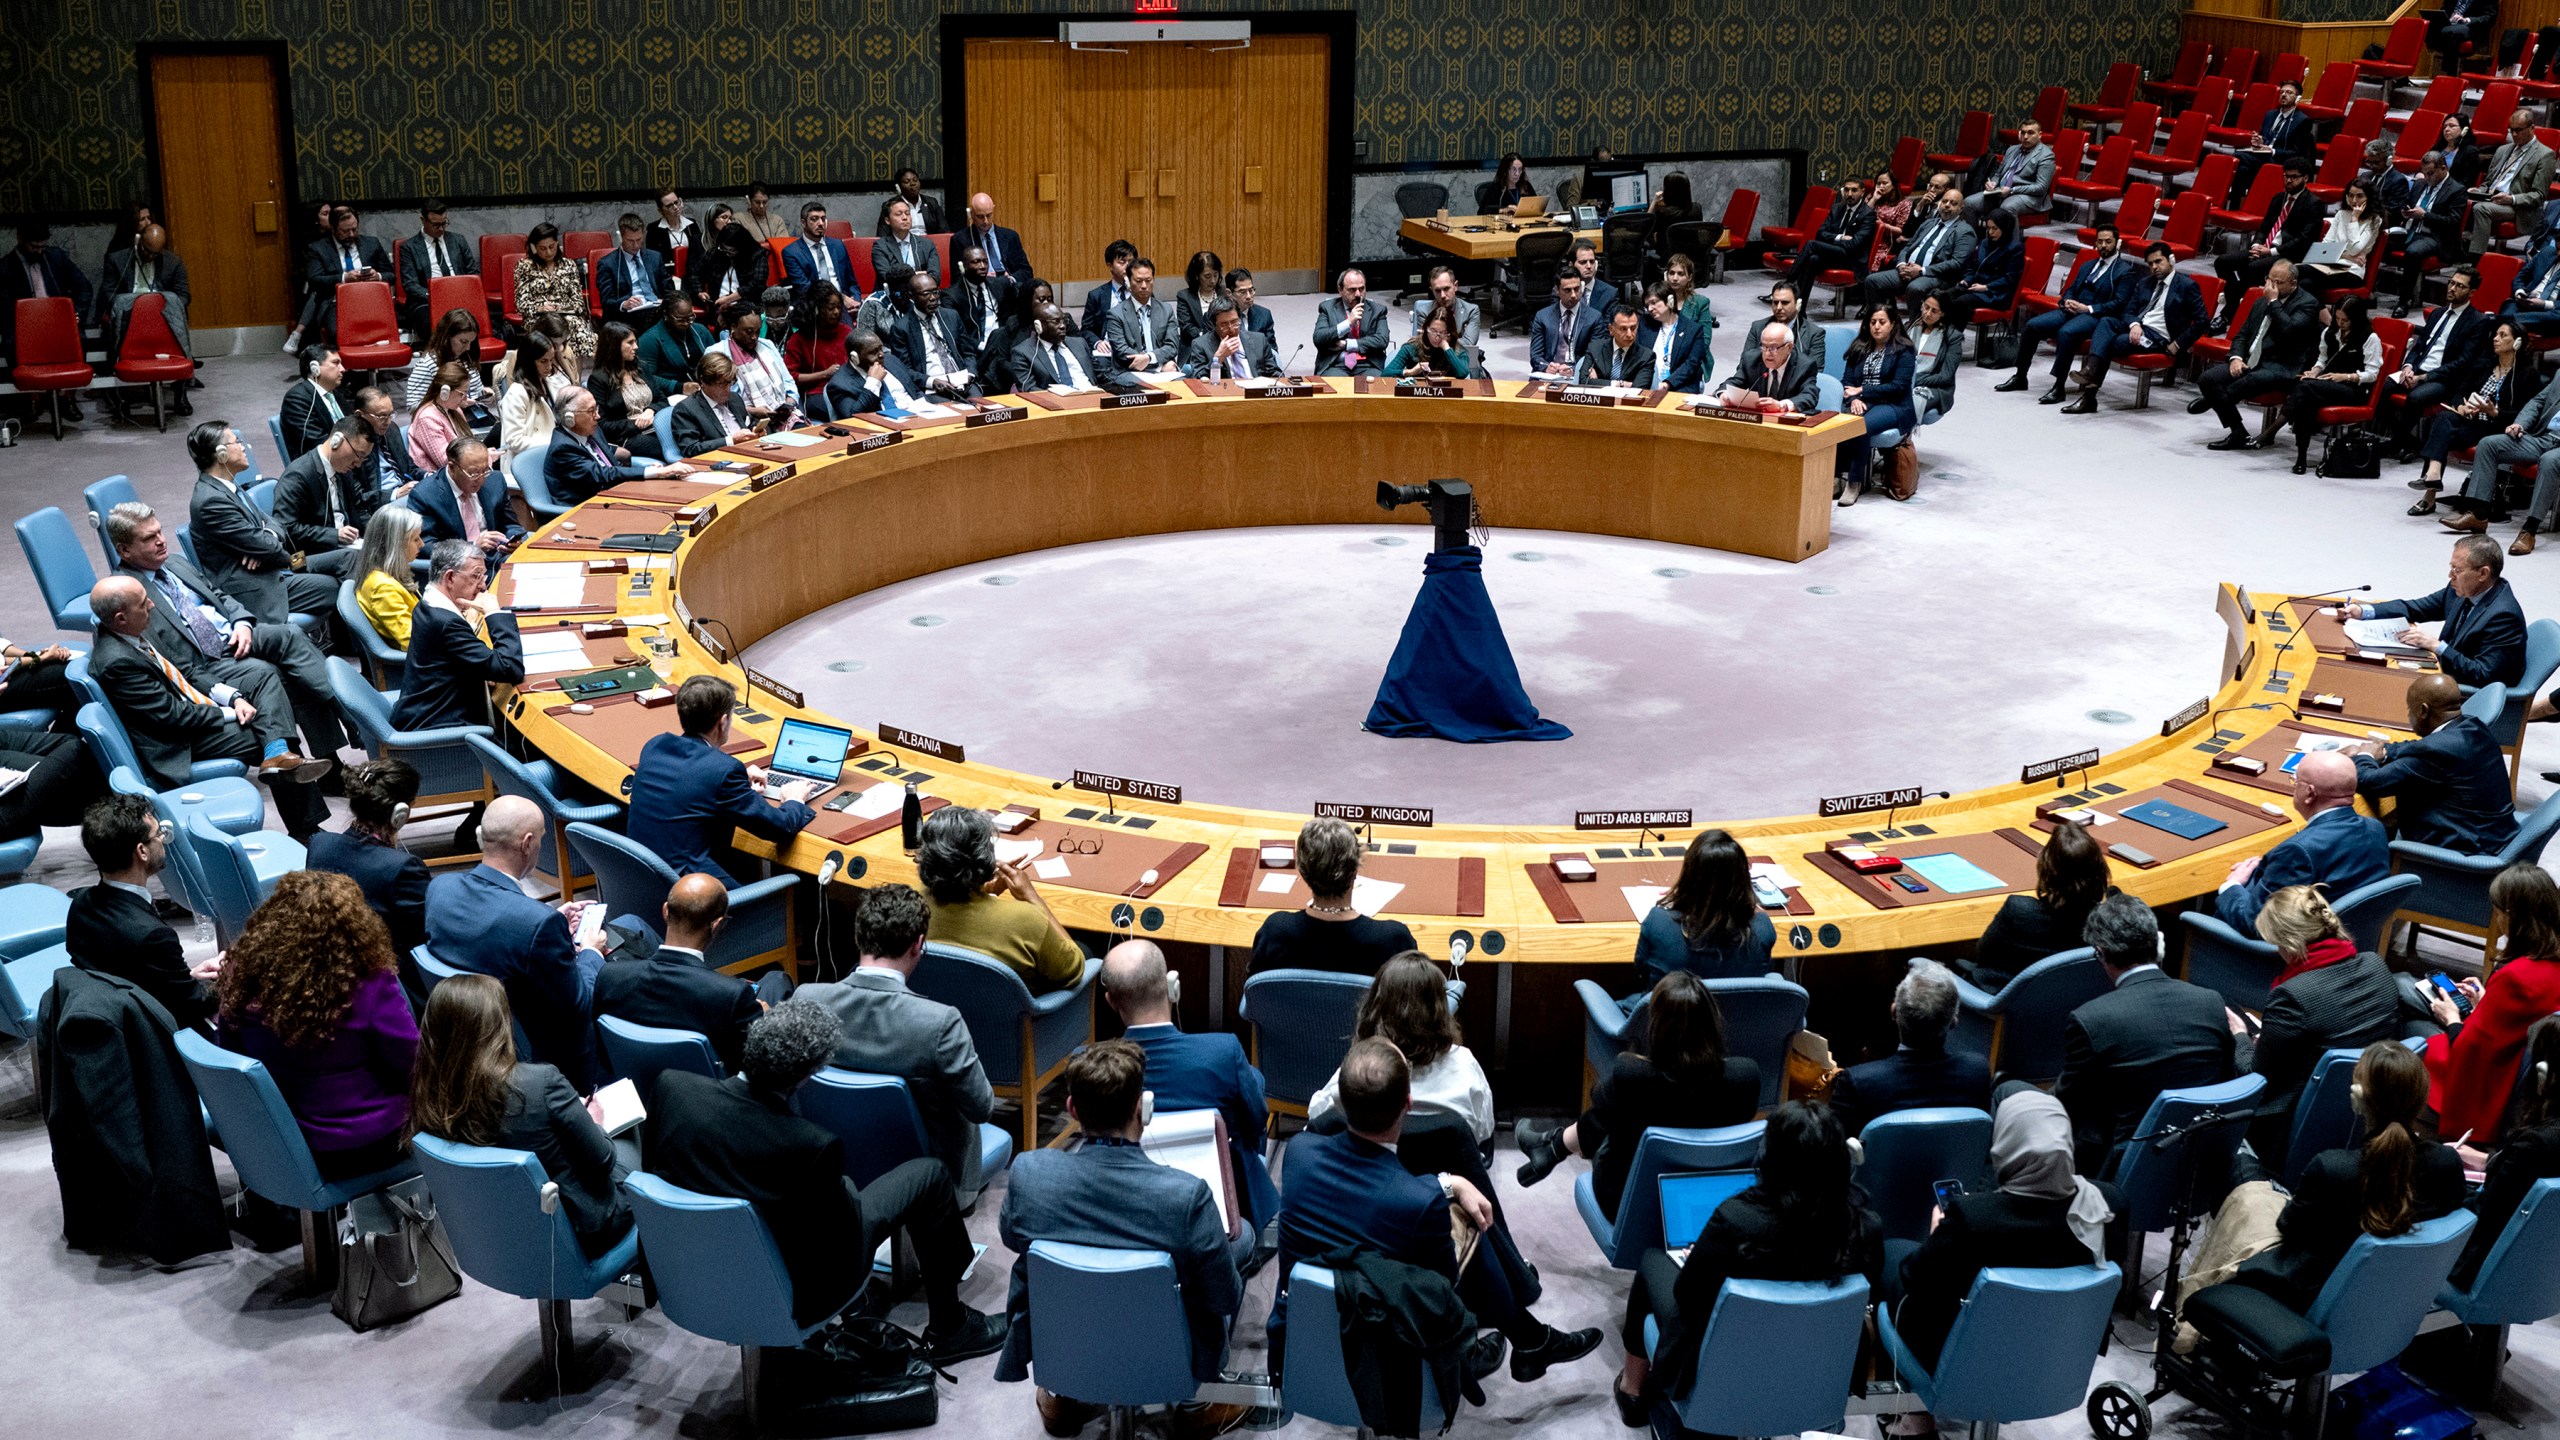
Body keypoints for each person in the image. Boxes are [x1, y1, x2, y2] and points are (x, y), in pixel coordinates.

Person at [644, 999, 1009, 1359]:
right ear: (807, 1075)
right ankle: (952, 1327)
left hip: (691, 1272)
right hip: (800, 1288)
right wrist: (845, 1187)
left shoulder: (671, 1089)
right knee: (930, 1174)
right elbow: (842, 1242)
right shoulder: (810, 1146)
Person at [1278, 1038, 1604, 1390]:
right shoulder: (1419, 1204)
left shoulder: (1298, 1153)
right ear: (1408, 1103)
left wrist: (1447, 1182)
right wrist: (1448, 1188)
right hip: (1387, 1361)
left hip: (1301, 1342)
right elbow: (1446, 1300)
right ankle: (1524, 1341)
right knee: (1468, 1228)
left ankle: (1532, 1340)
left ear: (1341, 1100)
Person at [997, 1040, 1245, 1437]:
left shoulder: (1028, 1175)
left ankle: (1065, 1393)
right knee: (1241, 1243)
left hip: (1067, 1346)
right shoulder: (1186, 1196)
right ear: (1142, 1109)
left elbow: (1012, 1238)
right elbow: (1224, 1298)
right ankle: (1197, 1402)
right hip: (1165, 1357)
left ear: (1072, 1110)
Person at [1615, 1102, 1883, 1422]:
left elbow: (1688, 1295)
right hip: (1817, 1370)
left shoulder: (1735, 1219)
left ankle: (1633, 1390)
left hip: (1724, 1363)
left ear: (1771, 1157)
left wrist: (1701, 1259)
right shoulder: (1866, 1227)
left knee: (1651, 1261)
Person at [2220, 1041, 2466, 1312]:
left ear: (2357, 1097)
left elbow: (2289, 1227)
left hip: (2308, 1296)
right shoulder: (2446, 1163)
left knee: (2244, 1173)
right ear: (2422, 1099)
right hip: (2391, 1299)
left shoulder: (2332, 1168)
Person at [1886, 1090, 2113, 1379]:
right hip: (2057, 1357)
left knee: (1894, 1256)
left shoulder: (1972, 1218)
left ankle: (1911, 1416)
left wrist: (1936, 1237)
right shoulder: (2106, 1204)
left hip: (1967, 1358)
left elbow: (1917, 1280)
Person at [105, 500, 348, 766]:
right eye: (149, 538)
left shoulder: (175, 563)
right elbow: (170, 662)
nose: (161, 541)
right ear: (124, 550)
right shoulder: (130, 597)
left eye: (160, 532)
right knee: (281, 675)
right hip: (206, 662)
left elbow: (220, 595)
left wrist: (241, 622)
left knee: (289, 634)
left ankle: (348, 710)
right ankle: (327, 758)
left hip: (232, 635)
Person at [84, 575, 330, 836]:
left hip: (186, 713)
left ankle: (278, 756)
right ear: (121, 618)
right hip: (174, 744)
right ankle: (306, 828)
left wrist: (233, 697)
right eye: (144, 603)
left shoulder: (133, 630)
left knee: (263, 679)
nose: (153, 606)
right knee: (270, 728)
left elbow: (186, 668)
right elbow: (173, 717)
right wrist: (230, 713)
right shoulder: (116, 663)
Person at [412, 973, 634, 1255]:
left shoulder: (431, 1095)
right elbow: (603, 1160)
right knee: (636, 1138)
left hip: (501, 1238)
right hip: (579, 1233)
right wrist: (593, 1122)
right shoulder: (540, 1083)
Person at [796, 884, 996, 1196]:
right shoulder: (940, 1022)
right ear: (918, 945)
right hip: (930, 1184)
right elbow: (981, 1107)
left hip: (833, 1167)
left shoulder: (807, 999)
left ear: (857, 936)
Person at [217, 871, 420, 1180]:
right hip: (367, 1143)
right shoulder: (369, 985)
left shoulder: (244, 980)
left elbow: (230, 1056)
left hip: (283, 1139)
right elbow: (413, 1065)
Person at [1514, 971, 1758, 1206]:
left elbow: (1597, 1110)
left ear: (1656, 1026)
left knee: (1608, 1125)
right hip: (1711, 1196)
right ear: (1712, 1023)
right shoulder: (1745, 1077)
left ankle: (1552, 1147)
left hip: (1630, 1201)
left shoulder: (1632, 1075)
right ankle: (1551, 1148)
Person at [1099, 937, 1277, 1244]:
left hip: (1128, 1203)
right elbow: (1257, 1119)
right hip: (1220, 1204)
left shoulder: (1093, 1068)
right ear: (1171, 987)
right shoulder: (1223, 1051)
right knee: (1254, 1083)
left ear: (1111, 1001)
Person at [426, 794, 609, 1088]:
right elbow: (578, 1006)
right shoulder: (535, 923)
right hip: (543, 1057)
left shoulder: (440, 888)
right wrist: (590, 952)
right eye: (540, 839)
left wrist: (550, 923)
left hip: (466, 1037)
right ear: (526, 844)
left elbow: (492, 927)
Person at [2240, 886, 2425, 1171]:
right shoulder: (2376, 965)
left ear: (2290, 944)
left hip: (2289, 1120)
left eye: (2276, 943)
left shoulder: (2292, 996)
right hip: (2368, 1112)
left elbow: (2257, 1079)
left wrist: (2239, 1035)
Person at [2058, 894, 2237, 1175]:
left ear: (2101, 953)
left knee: (2012, 1093)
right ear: (2158, 943)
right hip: (2204, 1155)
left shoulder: (2091, 1019)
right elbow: (2227, 1079)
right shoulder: (2210, 1001)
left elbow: (2069, 1106)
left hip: (2128, 1164)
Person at [626, 675, 820, 886]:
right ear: (723, 722)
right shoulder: (724, 770)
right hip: (690, 893)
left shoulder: (655, 746)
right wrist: (795, 800)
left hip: (641, 878)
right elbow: (779, 829)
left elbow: (686, 781)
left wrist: (734, 781)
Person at [2423, 864, 2560, 1143]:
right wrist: (2486, 1000)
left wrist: (2452, 1019)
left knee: (2415, 1017)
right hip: (2527, 1074)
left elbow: (2470, 1051)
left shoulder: (2514, 977)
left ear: (2511, 917)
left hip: (2490, 1086)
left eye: (2497, 911)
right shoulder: (2547, 961)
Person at [591, 872, 767, 1075]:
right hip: (708, 1097)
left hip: (635, 1091)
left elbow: (605, 1057)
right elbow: (754, 1070)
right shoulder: (733, 996)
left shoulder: (609, 976)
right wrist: (765, 1023)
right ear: (717, 924)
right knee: (776, 982)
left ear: (665, 911)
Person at [66, 794, 217, 1030]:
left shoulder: (80, 905)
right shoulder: (153, 936)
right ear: (142, 852)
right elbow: (194, 1004)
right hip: (154, 1036)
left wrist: (183, 977)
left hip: (114, 1022)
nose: (163, 840)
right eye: (159, 835)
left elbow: (131, 976)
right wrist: (236, 979)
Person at [1309, 951, 1492, 1143]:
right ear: (1439, 1010)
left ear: (1375, 1006)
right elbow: (1483, 1131)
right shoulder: (1464, 1064)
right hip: (1444, 1171)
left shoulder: (1359, 1070)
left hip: (1365, 1169)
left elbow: (1318, 1118)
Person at [2212, 752, 2390, 939]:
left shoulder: (2298, 852)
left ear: (2309, 793)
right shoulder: (2375, 828)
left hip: (2283, 955)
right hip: (2354, 936)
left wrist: (2232, 885)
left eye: (2295, 781)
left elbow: (2255, 924)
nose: (2293, 786)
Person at [916, 804, 1086, 993]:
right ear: (985, 858)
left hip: (937, 1009)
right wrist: (1033, 899)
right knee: (1086, 950)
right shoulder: (1026, 919)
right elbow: (1073, 971)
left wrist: (985, 892)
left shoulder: (911, 908)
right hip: (1017, 1020)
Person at [186, 420, 337, 625]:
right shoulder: (210, 501)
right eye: (236, 442)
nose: (244, 447)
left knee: (346, 558)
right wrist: (265, 543)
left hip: (282, 564)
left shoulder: (230, 486)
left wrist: (266, 539)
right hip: (262, 584)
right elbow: (269, 546)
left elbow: (276, 525)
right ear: (221, 454)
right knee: (334, 584)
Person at [1828, 955, 1996, 1138]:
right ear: (1954, 1021)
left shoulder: (1856, 1083)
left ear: (1893, 1012)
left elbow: (1835, 1153)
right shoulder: (1977, 1072)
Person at [2353, 671, 2519, 853]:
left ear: (2423, 711)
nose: (2409, 715)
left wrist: (2364, 756)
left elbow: (2371, 783)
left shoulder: (2434, 753)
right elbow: (2419, 746)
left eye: (2410, 709)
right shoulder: (2473, 726)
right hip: (2494, 832)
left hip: (2468, 846)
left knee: (2357, 833)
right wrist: (2384, 751)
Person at [2451, 1014, 2560, 1287]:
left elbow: (2487, 1214)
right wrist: (2490, 1161)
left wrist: (2442, 1175)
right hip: (2537, 1279)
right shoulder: (2541, 1143)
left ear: (2543, 1073)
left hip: (2478, 1271)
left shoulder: (2533, 1144)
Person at [2337, 535, 2527, 687]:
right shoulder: (2460, 590)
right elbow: (2416, 608)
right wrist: (2362, 611)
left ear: (2483, 574)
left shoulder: (2503, 616)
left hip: (2466, 691)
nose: (2450, 575)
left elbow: (2484, 675)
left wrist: (2436, 646)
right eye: (2451, 567)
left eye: (2457, 569)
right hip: (2444, 670)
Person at [1247, 816, 1418, 975]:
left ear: (1302, 869)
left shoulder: (1275, 932)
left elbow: (1255, 994)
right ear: (1356, 867)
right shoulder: (1395, 940)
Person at [307, 757, 432, 959]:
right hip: (388, 975)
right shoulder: (403, 868)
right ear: (400, 813)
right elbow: (427, 932)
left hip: (329, 965)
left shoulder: (319, 844)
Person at [392, 539, 522, 732]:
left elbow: (450, 658)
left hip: (425, 709)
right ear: (450, 578)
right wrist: (495, 613)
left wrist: (477, 669)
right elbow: (509, 668)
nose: (482, 586)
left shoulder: (427, 603)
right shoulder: (447, 622)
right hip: (442, 726)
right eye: (476, 576)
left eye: (483, 576)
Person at [2195, 262, 2324, 452]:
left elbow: (2289, 330)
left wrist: (2274, 303)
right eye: (2269, 280)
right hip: (2251, 360)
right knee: (2208, 379)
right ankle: (2238, 432)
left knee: (2246, 380)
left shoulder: (2308, 304)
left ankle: (2212, 400)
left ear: (2293, 284)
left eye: (2278, 282)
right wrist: (2236, 358)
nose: (2272, 286)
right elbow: (2242, 334)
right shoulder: (2261, 300)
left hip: (2281, 365)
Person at [1970, 819, 2113, 991]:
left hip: (2008, 1000)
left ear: (2046, 869)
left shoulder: (2018, 910)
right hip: (2071, 999)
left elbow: (1983, 954)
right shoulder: (2106, 919)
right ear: (2100, 871)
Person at [2000, 223, 2136, 403]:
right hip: (2072, 310)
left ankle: (2058, 386)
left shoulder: (2125, 271)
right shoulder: (2088, 265)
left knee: (2067, 333)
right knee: (2033, 326)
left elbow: (2119, 303)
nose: (2103, 246)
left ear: (2117, 244)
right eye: (2100, 242)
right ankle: (2020, 375)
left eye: (2108, 242)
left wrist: (2087, 308)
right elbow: (2071, 288)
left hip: (2095, 315)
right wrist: (2067, 301)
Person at [2408, 320, 2528, 515]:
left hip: (2495, 429)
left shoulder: (2525, 375)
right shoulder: (2484, 365)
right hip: (2472, 423)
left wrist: (2494, 412)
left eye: (2503, 335)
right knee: (2443, 420)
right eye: (2496, 335)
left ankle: (2430, 491)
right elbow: (2459, 392)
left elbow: (2523, 414)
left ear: (2517, 343)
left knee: (2442, 429)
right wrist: (2462, 406)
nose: (2496, 339)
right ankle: (2433, 478)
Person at [2381, 265, 2492, 457]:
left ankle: (2396, 443)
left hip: (2443, 379)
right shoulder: (2437, 313)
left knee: (2416, 398)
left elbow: (2463, 362)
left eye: (2460, 286)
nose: (2452, 288)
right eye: (2451, 283)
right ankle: (2408, 441)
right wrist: (2408, 367)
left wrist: (2424, 377)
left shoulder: (2478, 321)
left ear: (2472, 292)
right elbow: (2419, 346)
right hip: (2416, 371)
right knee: (2379, 388)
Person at [2213, 160, 2327, 324]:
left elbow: (2303, 241)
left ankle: (2229, 314)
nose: (2288, 180)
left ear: (2305, 178)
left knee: (2253, 268)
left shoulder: (2313, 204)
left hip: (2290, 255)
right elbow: (2264, 227)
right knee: (2222, 262)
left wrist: (2271, 252)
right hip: (2266, 249)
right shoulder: (2278, 198)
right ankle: (2234, 304)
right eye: (2286, 176)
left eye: (2294, 177)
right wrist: (2256, 245)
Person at [545, 386, 698, 505]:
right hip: (584, 506)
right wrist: (653, 472)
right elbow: (602, 475)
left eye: (596, 409)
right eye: (591, 411)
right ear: (569, 419)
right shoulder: (563, 449)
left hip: (612, 493)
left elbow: (606, 461)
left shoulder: (592, 430)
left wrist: (645, 471)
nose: (597, 416)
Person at [2280, 293, 2381, 472]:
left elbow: (2372, 374)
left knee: (2305, 388)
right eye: (2337, 318)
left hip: (2353, 390)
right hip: (2327, 386)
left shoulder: (2370, 338)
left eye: (2345, 320)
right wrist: (2315, 371)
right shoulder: (2329, 332)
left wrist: (2346, 377)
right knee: (2306, 397)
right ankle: (2301, 457)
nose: (2340, 323)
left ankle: (2274, 428)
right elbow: (2322, 360)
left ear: (2356, 319)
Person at [99, 223, 193, 389]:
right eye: (146, 251)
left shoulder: (174, 262)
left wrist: (164, 306)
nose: (149, 256)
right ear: (138, 240)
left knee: (176, 319)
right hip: (129, 314)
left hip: (162, 315)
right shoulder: (117, 259)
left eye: (155, 254)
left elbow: (184, 295)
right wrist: (131, 307)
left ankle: (181, 390)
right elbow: (108, 293)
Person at [1839, 301, 1917, 496]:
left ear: (1892, 324)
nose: (1876, 326)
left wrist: (1862, 391)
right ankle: (1837, 476)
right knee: (1837, 424)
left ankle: (1854, 483)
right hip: (1861, 400)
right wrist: (1853, 399)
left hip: (1893, 404)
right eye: (1873, 322)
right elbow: (1847, 381)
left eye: (1882, 322)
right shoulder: (1859, 347)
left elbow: (1898, 387)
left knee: (1861, 428)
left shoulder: (1903, 350)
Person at [1864, 186, 1974, 317]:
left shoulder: (1965, 231)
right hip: (1907, 270)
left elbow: (1957, 263)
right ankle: (1884, 320)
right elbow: (1907, 246)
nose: (1947, 205)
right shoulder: (1928, 223)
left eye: (1953, 203)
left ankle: (1916, 327)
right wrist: (1901, 265)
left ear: (1961, 208)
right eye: (1945, 201)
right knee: (1872, 280)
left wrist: (1922, 271)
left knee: (1915, 288)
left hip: (1936, 277)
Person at [411, 437, 520, 555]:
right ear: (452, 467)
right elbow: (425, 545)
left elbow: (511, 524)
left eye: (485, 470)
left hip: (498, 554)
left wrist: (513, 540)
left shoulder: (494, 481)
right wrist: (472, 547)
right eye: (473, 473)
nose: (481, 479)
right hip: (459, 565)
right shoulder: (425, 495)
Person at [2468, 110, 2556, 257]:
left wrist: (2512, 199)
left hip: (2517, 207)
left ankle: (2476, 259)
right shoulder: (2503, 150)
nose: (2514, 134)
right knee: (2457, 198)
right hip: (2491, 197)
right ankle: (2452, 251)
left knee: (2482, 208)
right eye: (2511, 130)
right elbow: (2489, 182)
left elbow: (2538, 195)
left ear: (2532, 128)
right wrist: (2479, 191)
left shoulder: (2545, 155)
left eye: (2519, 130)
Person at [300, 205, 391, 344]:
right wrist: (344, 278)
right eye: (345, 231)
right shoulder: (318, 249)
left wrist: (377, 276)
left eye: (355, 229)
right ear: (333, 228)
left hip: (370, 301)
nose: (351, 235)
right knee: (338, 332)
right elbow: (315, 281)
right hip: (336, 303)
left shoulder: (371, 244)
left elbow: (391, 275)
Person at [2396, 152, 2470, 317]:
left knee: (2413, 252)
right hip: (2410, 229)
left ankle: (2403, 302)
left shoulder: (2457, 190)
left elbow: (2452, 222)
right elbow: (2406, 203)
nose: (2427, 177)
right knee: (2380, 239)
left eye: (2430, 173)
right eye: (2424, 173)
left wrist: (2424, 215)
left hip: (2436, 236)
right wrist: (2405, 211)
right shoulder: (2420, 184)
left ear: (2443, 169)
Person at [514, 222, 596, 362]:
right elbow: (520, 303)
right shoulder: (524, 266)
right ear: (533, 248)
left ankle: (574, 379)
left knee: (578, 329)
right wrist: (539, 307)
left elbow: (578, 302)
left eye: (552, 247)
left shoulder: (568, 265)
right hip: (538, 316)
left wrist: (563, 308)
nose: (548, 252)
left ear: (557, 244)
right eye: (542, 248)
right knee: (550, 329)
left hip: (566, 314)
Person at [396, 204, 479, 340]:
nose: (441, 229)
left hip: (459, 296)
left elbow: (473, 272)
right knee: (428, 322)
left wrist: (462, 292)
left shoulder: (458, 240)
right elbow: (410, 284)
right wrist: (436, 296)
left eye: (444, 223)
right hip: (426, 300)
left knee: (478, 317)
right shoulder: (409, 247)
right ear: (423, 220)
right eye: (436, 225)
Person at [712, 297, 798, 428]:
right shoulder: (717, 353)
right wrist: (753, 411)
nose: (754, 337)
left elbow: (788, 381)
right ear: (733, 327)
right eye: (749, 332)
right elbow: (719, 401)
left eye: (758, 331)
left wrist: (789, 403)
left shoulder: (767, 345)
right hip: (743, 419)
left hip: (783, 415)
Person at [1781, 176, 1876, 294]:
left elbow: (1855, 244)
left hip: (1852, 259)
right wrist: (1840, 238)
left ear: (1862, 192)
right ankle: (1800, 307)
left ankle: (1786, 286)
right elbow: (1820, 233)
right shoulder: (1837, 208)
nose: (1849, 194)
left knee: (1811, 244)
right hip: (1834, 253)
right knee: (1813, 259)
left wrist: (1832, 242)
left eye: (1854, 190)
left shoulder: (1868, 214)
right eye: (1846, 190)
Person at [586, 320, 666, 459]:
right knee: (669, 445)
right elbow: (602, 424)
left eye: (635, 342)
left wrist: (650, 410)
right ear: (614, 346)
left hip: (656, 426)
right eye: (630, 343)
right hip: (627, 437)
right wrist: (637, 423)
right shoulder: (599, 379)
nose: (636, 347)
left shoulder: (641, 367)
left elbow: (662, 399)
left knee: (688, 434)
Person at [895, 273, 981, 400]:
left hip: (962, 381)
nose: (933, 298)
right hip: (932, 389)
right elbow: (904, 369)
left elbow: (968, 352)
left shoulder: (951, 316)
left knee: (979, 409)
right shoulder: (902, 328)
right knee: (950, 414)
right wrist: (932, 382)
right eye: (926, 294)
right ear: (911, 296)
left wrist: (970, 373)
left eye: (935, 292)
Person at [1710, 316, 1821, 413]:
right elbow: (1734, 382)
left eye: (1773, 348)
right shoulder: (1752, 359)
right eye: (1764, 347)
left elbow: (1810, 395)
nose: (1767, 353)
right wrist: (1724, 394)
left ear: (1789, 348)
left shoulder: (1805, 365)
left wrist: (1781, 406)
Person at [1102, 256, 1182, 388]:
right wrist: (1156, 367)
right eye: (1138, 281)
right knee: (1145, 388)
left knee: (1185, 385)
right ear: (1128, 281)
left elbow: (1172, 346)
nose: (1144, 286)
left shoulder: (1166, 310)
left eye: (1148, 280)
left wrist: (1149, 358)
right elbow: (1122, 352)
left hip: (1164, 371)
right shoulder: (1115, 314)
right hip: (1130, 372)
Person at [1942, 208, 2023, 329]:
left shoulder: (2015, 248)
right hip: (1975, 285)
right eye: (1988, 228)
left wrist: (1986, 287)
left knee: (1961, 303)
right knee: (1944, 296)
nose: (1990, 232)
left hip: (1995, 292)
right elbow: (1972, 266)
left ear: (2005, 228)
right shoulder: (1985, 243)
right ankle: (1941, 335)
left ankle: (1953, 339)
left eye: (1995, 229)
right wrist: (1967, 279)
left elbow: (2010, 278)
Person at [2303, 180, 2386, 295]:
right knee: (2305, 283)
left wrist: (2354, 219)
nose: (2354, 200)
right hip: (2329, 264)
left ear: (2369, 197)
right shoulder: (2341, 214)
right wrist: (2347, 255)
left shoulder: (2375, 220)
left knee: (2298, 272)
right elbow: (2323, 247)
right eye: (2351, 195)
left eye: (2360, 196)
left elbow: (2355, 249)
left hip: (2351, 271)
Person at [1966, 119, 2055, 223]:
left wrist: (2012, 190)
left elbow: (2041, 187)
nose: (2025, 137)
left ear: (2040, 135)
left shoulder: (2046, 155)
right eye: (2023, 133)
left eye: (2030, 133)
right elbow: (1999, 174)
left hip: (2029, 196)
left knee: (2007, 208)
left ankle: (2011, 240)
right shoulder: (2012, 150)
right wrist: (1993, 183)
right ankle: (1971, 238)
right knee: (1969, 203)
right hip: (2000, 191)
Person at [495, 330, 563, 462]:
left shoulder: (550, 383)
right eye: (543, 361)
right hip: (527, 462)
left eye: (551, 360)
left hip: (550, 455)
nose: (549, 366)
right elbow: (515, 441)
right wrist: (554, 444)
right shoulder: (516, 393)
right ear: (529, 361)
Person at [671, 351, 759, 453]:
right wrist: (732, 440)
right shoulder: (686, 409)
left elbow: (749, 423)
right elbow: (691, 449)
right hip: (721, 460)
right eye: (721, 384)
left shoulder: (734, 398)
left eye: (729, 382)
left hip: (750, 451)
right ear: (703, 381)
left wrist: (755, 431)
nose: (727, 389)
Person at [1007, 303, 1101, 393]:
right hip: (1055, 404)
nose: (1062, 326)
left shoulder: (1080, 343)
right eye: (1056, 322)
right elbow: (1029, 389)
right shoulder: (1022, 353)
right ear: (1038, 326)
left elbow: (1103, 374)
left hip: (1092, 397)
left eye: (1064, 321)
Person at [639, 292, 715, 402]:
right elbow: (645, 377)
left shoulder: (700, 330)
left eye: (690, 317)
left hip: (704, 390)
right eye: (680, 320)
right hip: (671, 396)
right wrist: (678, 387)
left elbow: (716, 360)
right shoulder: (650, 339)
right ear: (666, 315)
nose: (687, 323)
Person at [1314, 268, 1390, 377]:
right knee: (1335, 388)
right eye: (1352, 290)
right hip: (1336, 365)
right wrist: (1348, 323)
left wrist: (1347, 344)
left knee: (1377, 388)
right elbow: (1319, 338)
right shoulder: (1327, 308)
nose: (1358, 294)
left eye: (1361, 289)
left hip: (1368, 364)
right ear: (1340, 290)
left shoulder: (1378, 310)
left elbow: (1382, 340)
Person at [278, 342, 348, 461]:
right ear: (314, 368)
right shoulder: (296, 399)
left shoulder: (336, 394)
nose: (343, 369)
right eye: (336, 363)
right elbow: (317, 444)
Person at [1189, 296, 1284, 380]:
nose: (1231, 329)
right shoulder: (1200, 345)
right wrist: (1218, 359)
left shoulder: (1259, 340)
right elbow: (1198, 380)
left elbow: (1276, 374)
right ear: (1214, 325)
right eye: (1224, 324)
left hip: (1256, 394)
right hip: (1225, 396)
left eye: (1235, 322)